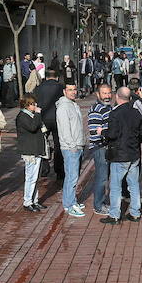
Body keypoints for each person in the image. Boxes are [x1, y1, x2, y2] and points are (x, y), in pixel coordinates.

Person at [101, 86, 142, 224]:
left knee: (115, 186)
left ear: (117, 97)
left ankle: (114, 215)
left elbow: (112, 134)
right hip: (134, 154)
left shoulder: (115, 114)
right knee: (133, 185)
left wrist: (102, 132)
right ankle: (135, 213)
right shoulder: (136, 113)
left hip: (120, 154)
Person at [56, 83, 86, 217]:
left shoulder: (74, 104)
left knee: (74, 176)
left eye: (75, 89)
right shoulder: (63, 107)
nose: (73, 92)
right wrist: (72, 145)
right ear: (64, 92)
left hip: (78, 145)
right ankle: (68, 204)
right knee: (71, 177)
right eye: (70, 90)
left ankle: (72, 200)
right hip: (70, 148)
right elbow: (64, 129)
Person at [16, 94, 46, 211]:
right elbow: (32, 127)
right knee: (30, 177)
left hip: (36, 149)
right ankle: (27, 201)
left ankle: (35, 200)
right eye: (33, 104)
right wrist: (38, 114)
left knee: (35, 177)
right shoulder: (22, 116)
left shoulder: (32, 115)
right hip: (30, 151)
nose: (35, 106)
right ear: (27, 105)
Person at [87, 84, 114, 215]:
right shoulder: (96, 109)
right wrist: (108, 132)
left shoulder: (109, 108)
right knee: (101, 177)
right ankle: (98, 205)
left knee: (105, 176)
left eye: (109, 93)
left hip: (107, 146)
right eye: (104, 93)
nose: (107, 96)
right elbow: (94, 132)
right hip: (99, 148)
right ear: (98, 95)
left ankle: (102, 202)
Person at [35, 69, 65, 179]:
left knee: (43, 142)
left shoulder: (39, 88)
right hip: (58, 119)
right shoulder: (61, 87)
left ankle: (44, 167)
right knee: (58, 144)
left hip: (44, 118)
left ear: (46, 77)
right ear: (56, 77)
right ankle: (59, 170)